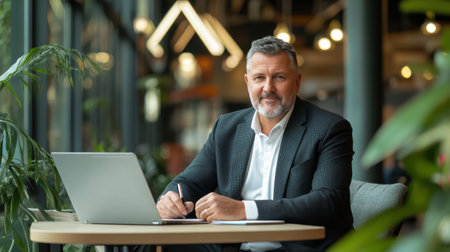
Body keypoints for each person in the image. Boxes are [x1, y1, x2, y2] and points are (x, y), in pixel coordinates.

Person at [157, 36, 354, 252]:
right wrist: (170, 199)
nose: (268, 88)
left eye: (279, 77)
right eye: (259, 78)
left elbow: (328, 201)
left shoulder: (329, 129)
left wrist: (244, 210)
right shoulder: (227, 127)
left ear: (297, 82)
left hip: (296, 248)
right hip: (233, 247)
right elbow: (190, 182)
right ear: (247, 82)